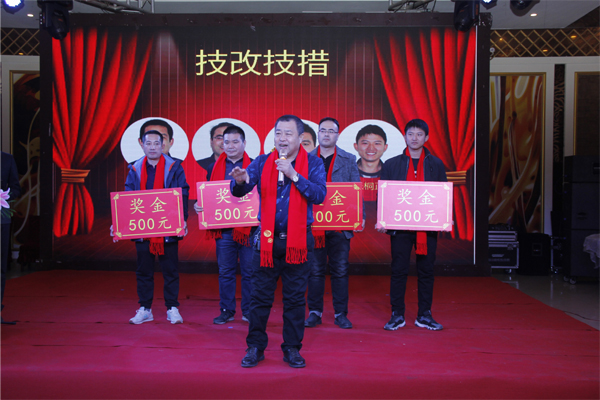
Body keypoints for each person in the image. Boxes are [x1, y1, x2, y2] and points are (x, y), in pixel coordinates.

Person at [230, 115, 326, 368]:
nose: (282, 139)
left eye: (288, 134)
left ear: (300, 137)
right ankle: (255, 347)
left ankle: (292, 348)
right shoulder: (263, 162)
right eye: (278, 133)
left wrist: (294, 175)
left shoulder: (314, 163)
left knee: (294, 300)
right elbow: (241, 188)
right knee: (259, 298)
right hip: (266, 243)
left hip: (298, 243)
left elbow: (319, 195)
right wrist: (239, 181)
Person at [376, 119, 447, 331]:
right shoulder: (392, 164)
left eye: (419, 134)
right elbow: (384, 195)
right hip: (400, 228)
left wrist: (446, 218)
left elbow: (443, 194)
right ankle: (397, 314)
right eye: (410, 134)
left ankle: (424, 314)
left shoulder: (436, 164)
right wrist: (382, 219)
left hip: (427, 228)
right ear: (405, 136)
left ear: (426, 137)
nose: (414, 138)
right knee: (398, 270)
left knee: (426, 271)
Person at [114, 129, 190, 325]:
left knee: (170, 269)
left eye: (157, 143)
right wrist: (119, 222)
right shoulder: (135, 168)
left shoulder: (174, 167)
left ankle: (172, 308)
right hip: (143, 229)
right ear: (142, 144)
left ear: (163, 145)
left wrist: (183, 219)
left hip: (168, 227)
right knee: (144, 270)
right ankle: (145, 309)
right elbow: (127, 197)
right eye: (148, 143)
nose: (153, 147)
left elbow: (182, 193)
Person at [305, 117, 363, 330]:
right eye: (323, 130)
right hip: (314, 226)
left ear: (338, 135)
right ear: (318, 134)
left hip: (340, 225)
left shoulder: (348, 159)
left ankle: (340, 313)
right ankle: (315, 312)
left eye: (331, 131)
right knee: (315, 271)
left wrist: (360, 216)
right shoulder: (306, 159)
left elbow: (356, 189)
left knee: (340, 270)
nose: (327, 134)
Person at [193, 125, 255, 324]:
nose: (230, 145)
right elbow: (209, 194)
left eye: (235, 141)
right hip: (224, 230)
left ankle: (249, 311)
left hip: (249, 229)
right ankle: (227, 310)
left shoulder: (255, 165)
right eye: (226, 141)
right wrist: (199, 205)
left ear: (244, 143)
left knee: (249, 272)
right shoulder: (213, 167)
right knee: (225, 272)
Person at [1, 152, 21, 325]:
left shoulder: (7, 159)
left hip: (2, 218)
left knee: (0, 268)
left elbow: (16, 188)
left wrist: (5, 196)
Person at [354, 124, 388, 201]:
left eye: (377, 143)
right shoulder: (346, 174)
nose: (371, 148)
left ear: (385, 147)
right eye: (365, 143)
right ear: (356, 146)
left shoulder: (392, 175)